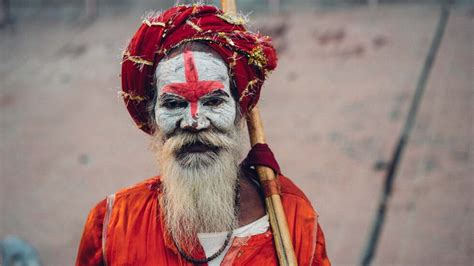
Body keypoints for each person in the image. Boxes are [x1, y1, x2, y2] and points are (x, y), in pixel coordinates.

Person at [76, 4, 330, 266]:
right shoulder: (112, 225)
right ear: (152, 117)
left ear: (239, 112)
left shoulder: (294, 218)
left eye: (213, 102)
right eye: (174, 104)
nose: (194, 122)